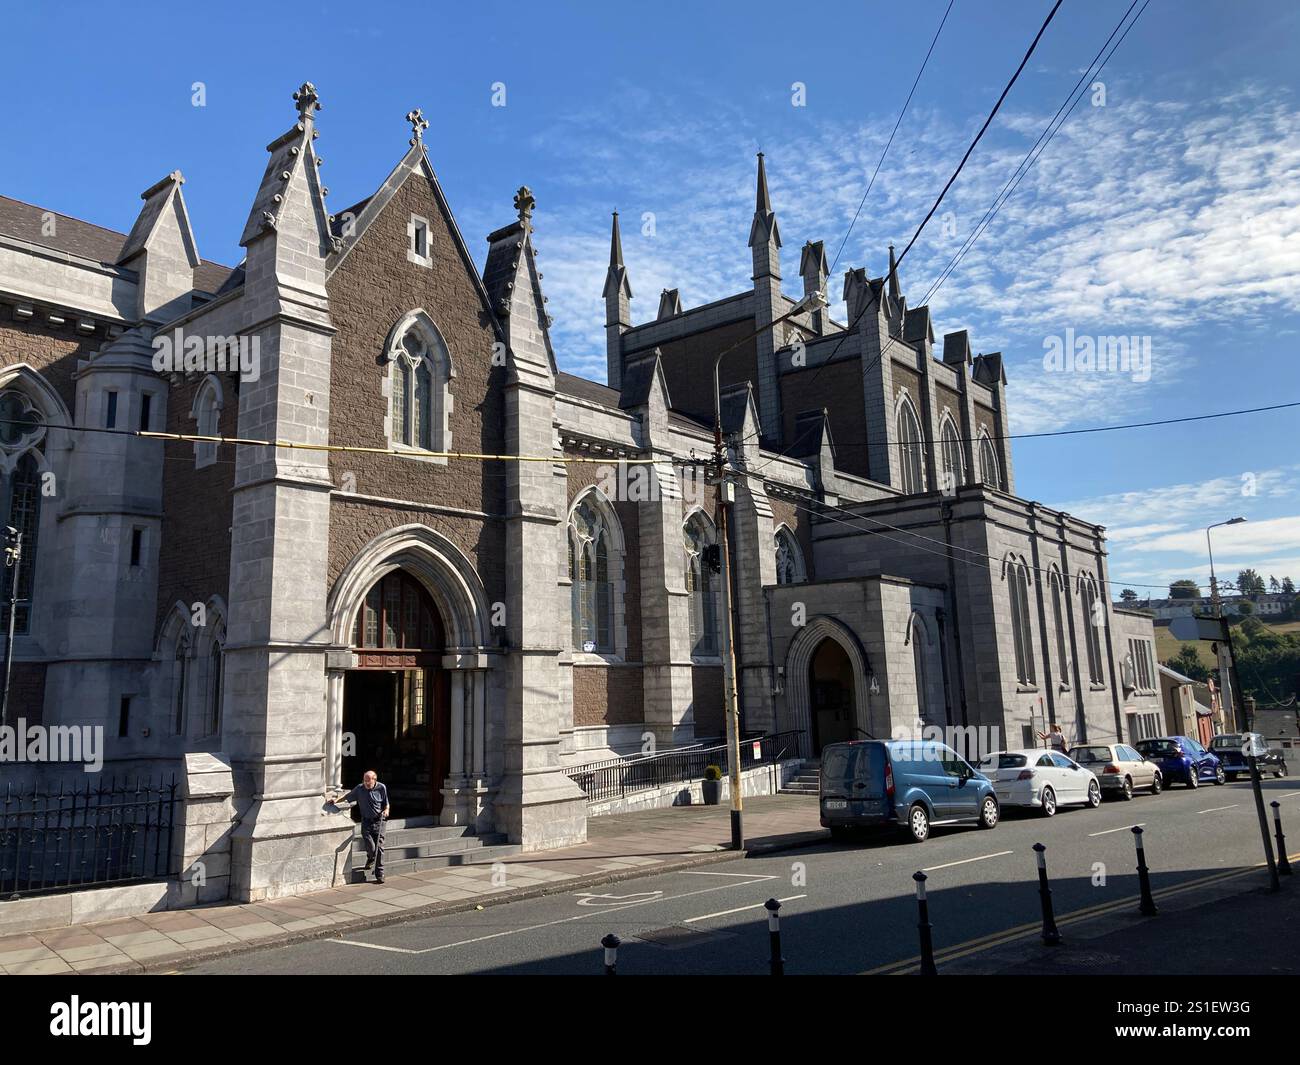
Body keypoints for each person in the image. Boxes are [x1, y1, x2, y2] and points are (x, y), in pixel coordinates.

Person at [329, 770, 389, 884]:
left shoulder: (382, 788)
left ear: (374, 780)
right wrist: (335, 800)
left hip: (379, 821)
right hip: (366, 822)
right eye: (364, 780)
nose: (365, 783)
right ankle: (370, 857)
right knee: (371, 847)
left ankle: (380, 874)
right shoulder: (360, 788)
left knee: (379, 847)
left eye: (368, 780)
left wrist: (386, 810)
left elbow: (386, 803)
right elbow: (348, 796)